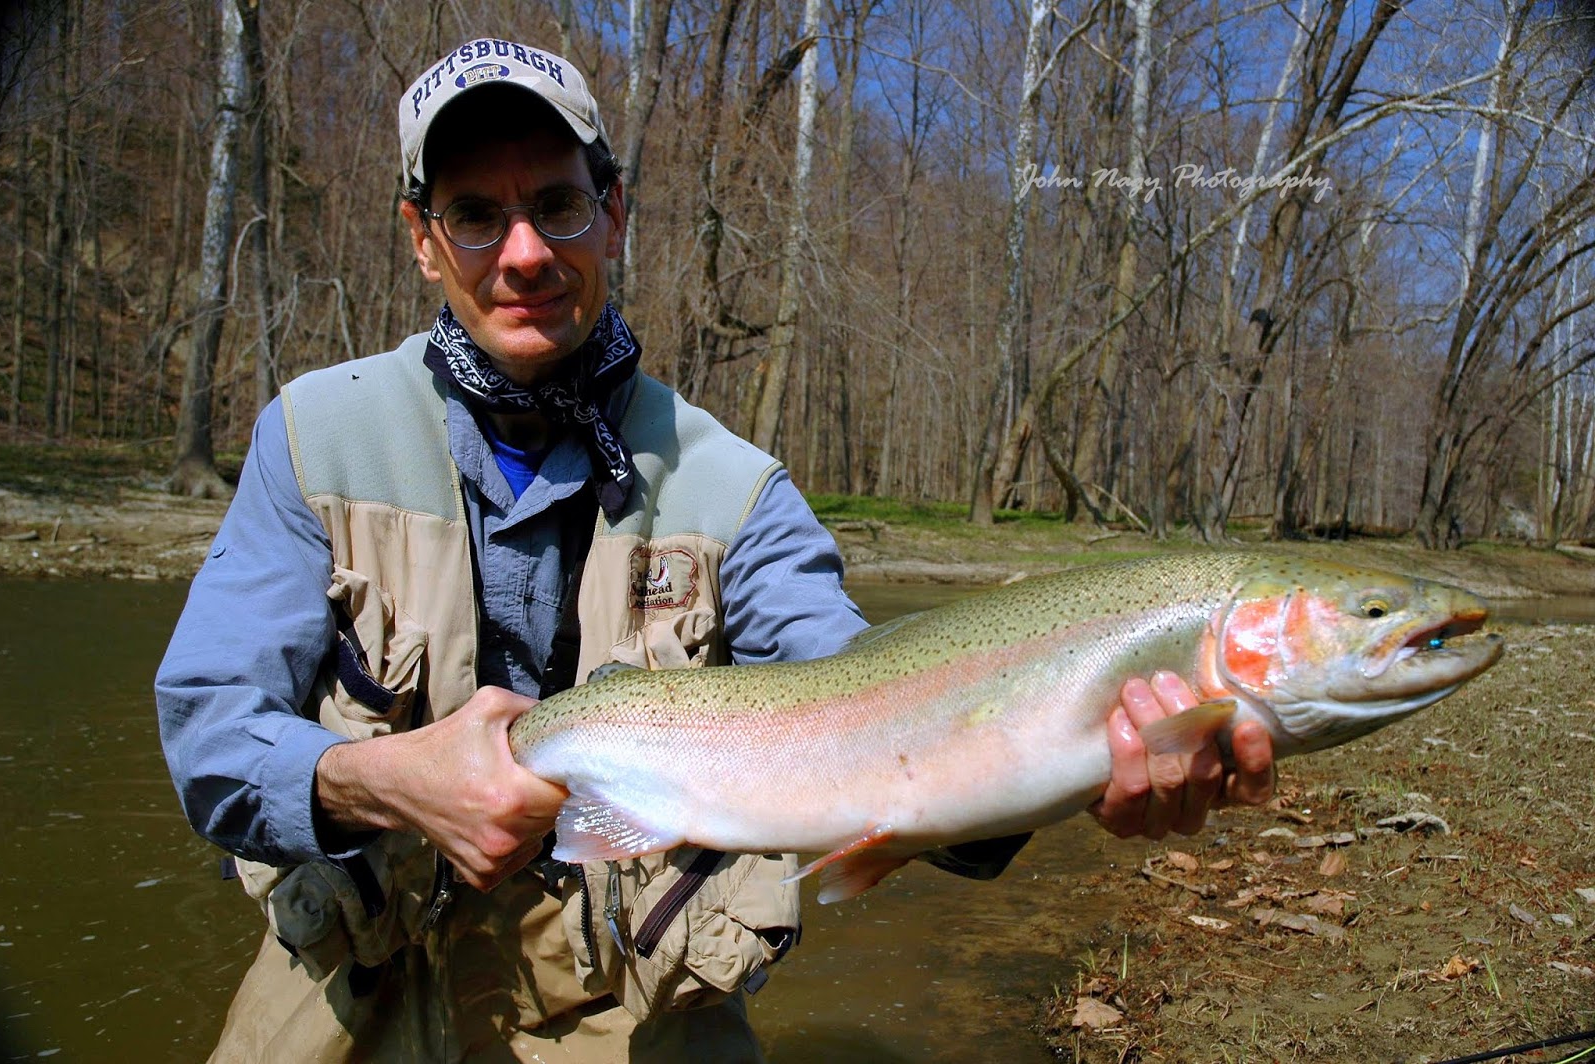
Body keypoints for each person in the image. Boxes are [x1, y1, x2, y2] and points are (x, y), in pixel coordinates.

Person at [154, 37, 1276, 1063]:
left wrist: (1071, 763)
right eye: (476, 215)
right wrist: (379, 780)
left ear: (617, 213)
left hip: (634, 1019)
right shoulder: (312, 437)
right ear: (421, 240)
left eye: (557, 203)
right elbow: (208, 734)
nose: (526, 253)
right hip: (354, 1003)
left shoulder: (737, 488)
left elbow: (884, 715)